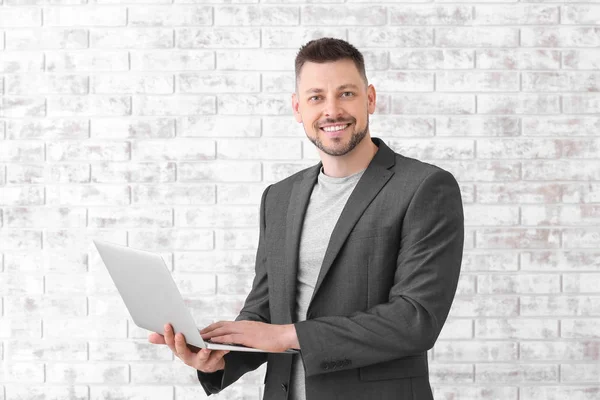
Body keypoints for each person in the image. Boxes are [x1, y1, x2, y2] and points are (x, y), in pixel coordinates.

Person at [148, 38, 464, 400]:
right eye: (316, 97)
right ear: (298, 108)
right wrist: (219, 357)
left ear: (370, 99)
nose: (332, 110)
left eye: (346, 94)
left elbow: (415, 319)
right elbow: (265, 310)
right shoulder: (279, 198)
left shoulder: (423, 187)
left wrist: (287, 335)